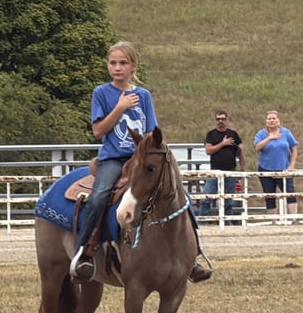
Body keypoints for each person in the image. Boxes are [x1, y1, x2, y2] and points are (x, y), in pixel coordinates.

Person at [69, 40, 212, 284]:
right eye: (113, 63)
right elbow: (98, 131)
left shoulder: (143, 95)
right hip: (114, 158)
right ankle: (84, 252)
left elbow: (150, 131)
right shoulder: (101, 93)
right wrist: (120, 107)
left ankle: (193, 255)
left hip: (141, 159)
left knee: (180, 195)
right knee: (99, 196)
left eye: (123, 63)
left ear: (133, 66)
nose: (117, 68)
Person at [199, 110, 245, 223]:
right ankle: (203, 223)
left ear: (227, 120)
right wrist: (222, 144)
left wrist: (241, 170)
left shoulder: (233, 134)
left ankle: (226, 223)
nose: (220, 121)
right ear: (215, 121)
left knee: (228, 201)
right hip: (215, 171)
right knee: (206, 198)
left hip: (231, 171)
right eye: (218, 119)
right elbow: (208, 150)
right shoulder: (211, 134)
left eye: (223, 119)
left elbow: (241, 152)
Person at [253, 110, 299, 218]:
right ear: (266, 122)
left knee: (290, 193)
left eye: (274, 118)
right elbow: (257, 148)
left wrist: (292, 164)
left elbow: (294, 148)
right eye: (269, 119)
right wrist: (270, 138)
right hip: (266, 168)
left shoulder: (286, 133)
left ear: (278, 121)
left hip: (284, 168)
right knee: (270, 195)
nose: (271, 121)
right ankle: (273, 220)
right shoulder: (261, 134)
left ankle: (294, 218)